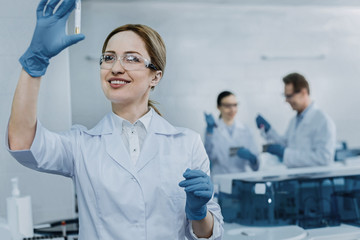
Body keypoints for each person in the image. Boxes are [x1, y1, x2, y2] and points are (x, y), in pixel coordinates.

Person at [6, 0, 223, 239]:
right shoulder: (82, 145)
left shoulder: (187, 143)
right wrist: (35, 62)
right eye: (108, 58)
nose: (116, 68)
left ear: (155, 76)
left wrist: (198, 211)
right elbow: (22, 142)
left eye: (131, 58)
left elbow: (209, 234)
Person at [256, 72, 336, 168]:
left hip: (313, 181)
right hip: (296, 178)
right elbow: (286, 145)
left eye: (289, 96)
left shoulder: (323, 121)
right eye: (285, 96)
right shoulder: (294, 121)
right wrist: (269, 131)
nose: (286, 100)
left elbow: (324, 158)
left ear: (303, 93)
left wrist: (285, 154)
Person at [204, 91, 259, 175]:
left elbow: (256, 167)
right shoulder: (212, 130)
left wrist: (252, 158)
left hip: (242, 180)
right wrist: (209, 131)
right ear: (219, 107)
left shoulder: (246, 129)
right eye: (227, 106)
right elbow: (207, 158)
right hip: (220, 179)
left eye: (235, 105)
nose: (232, 109)